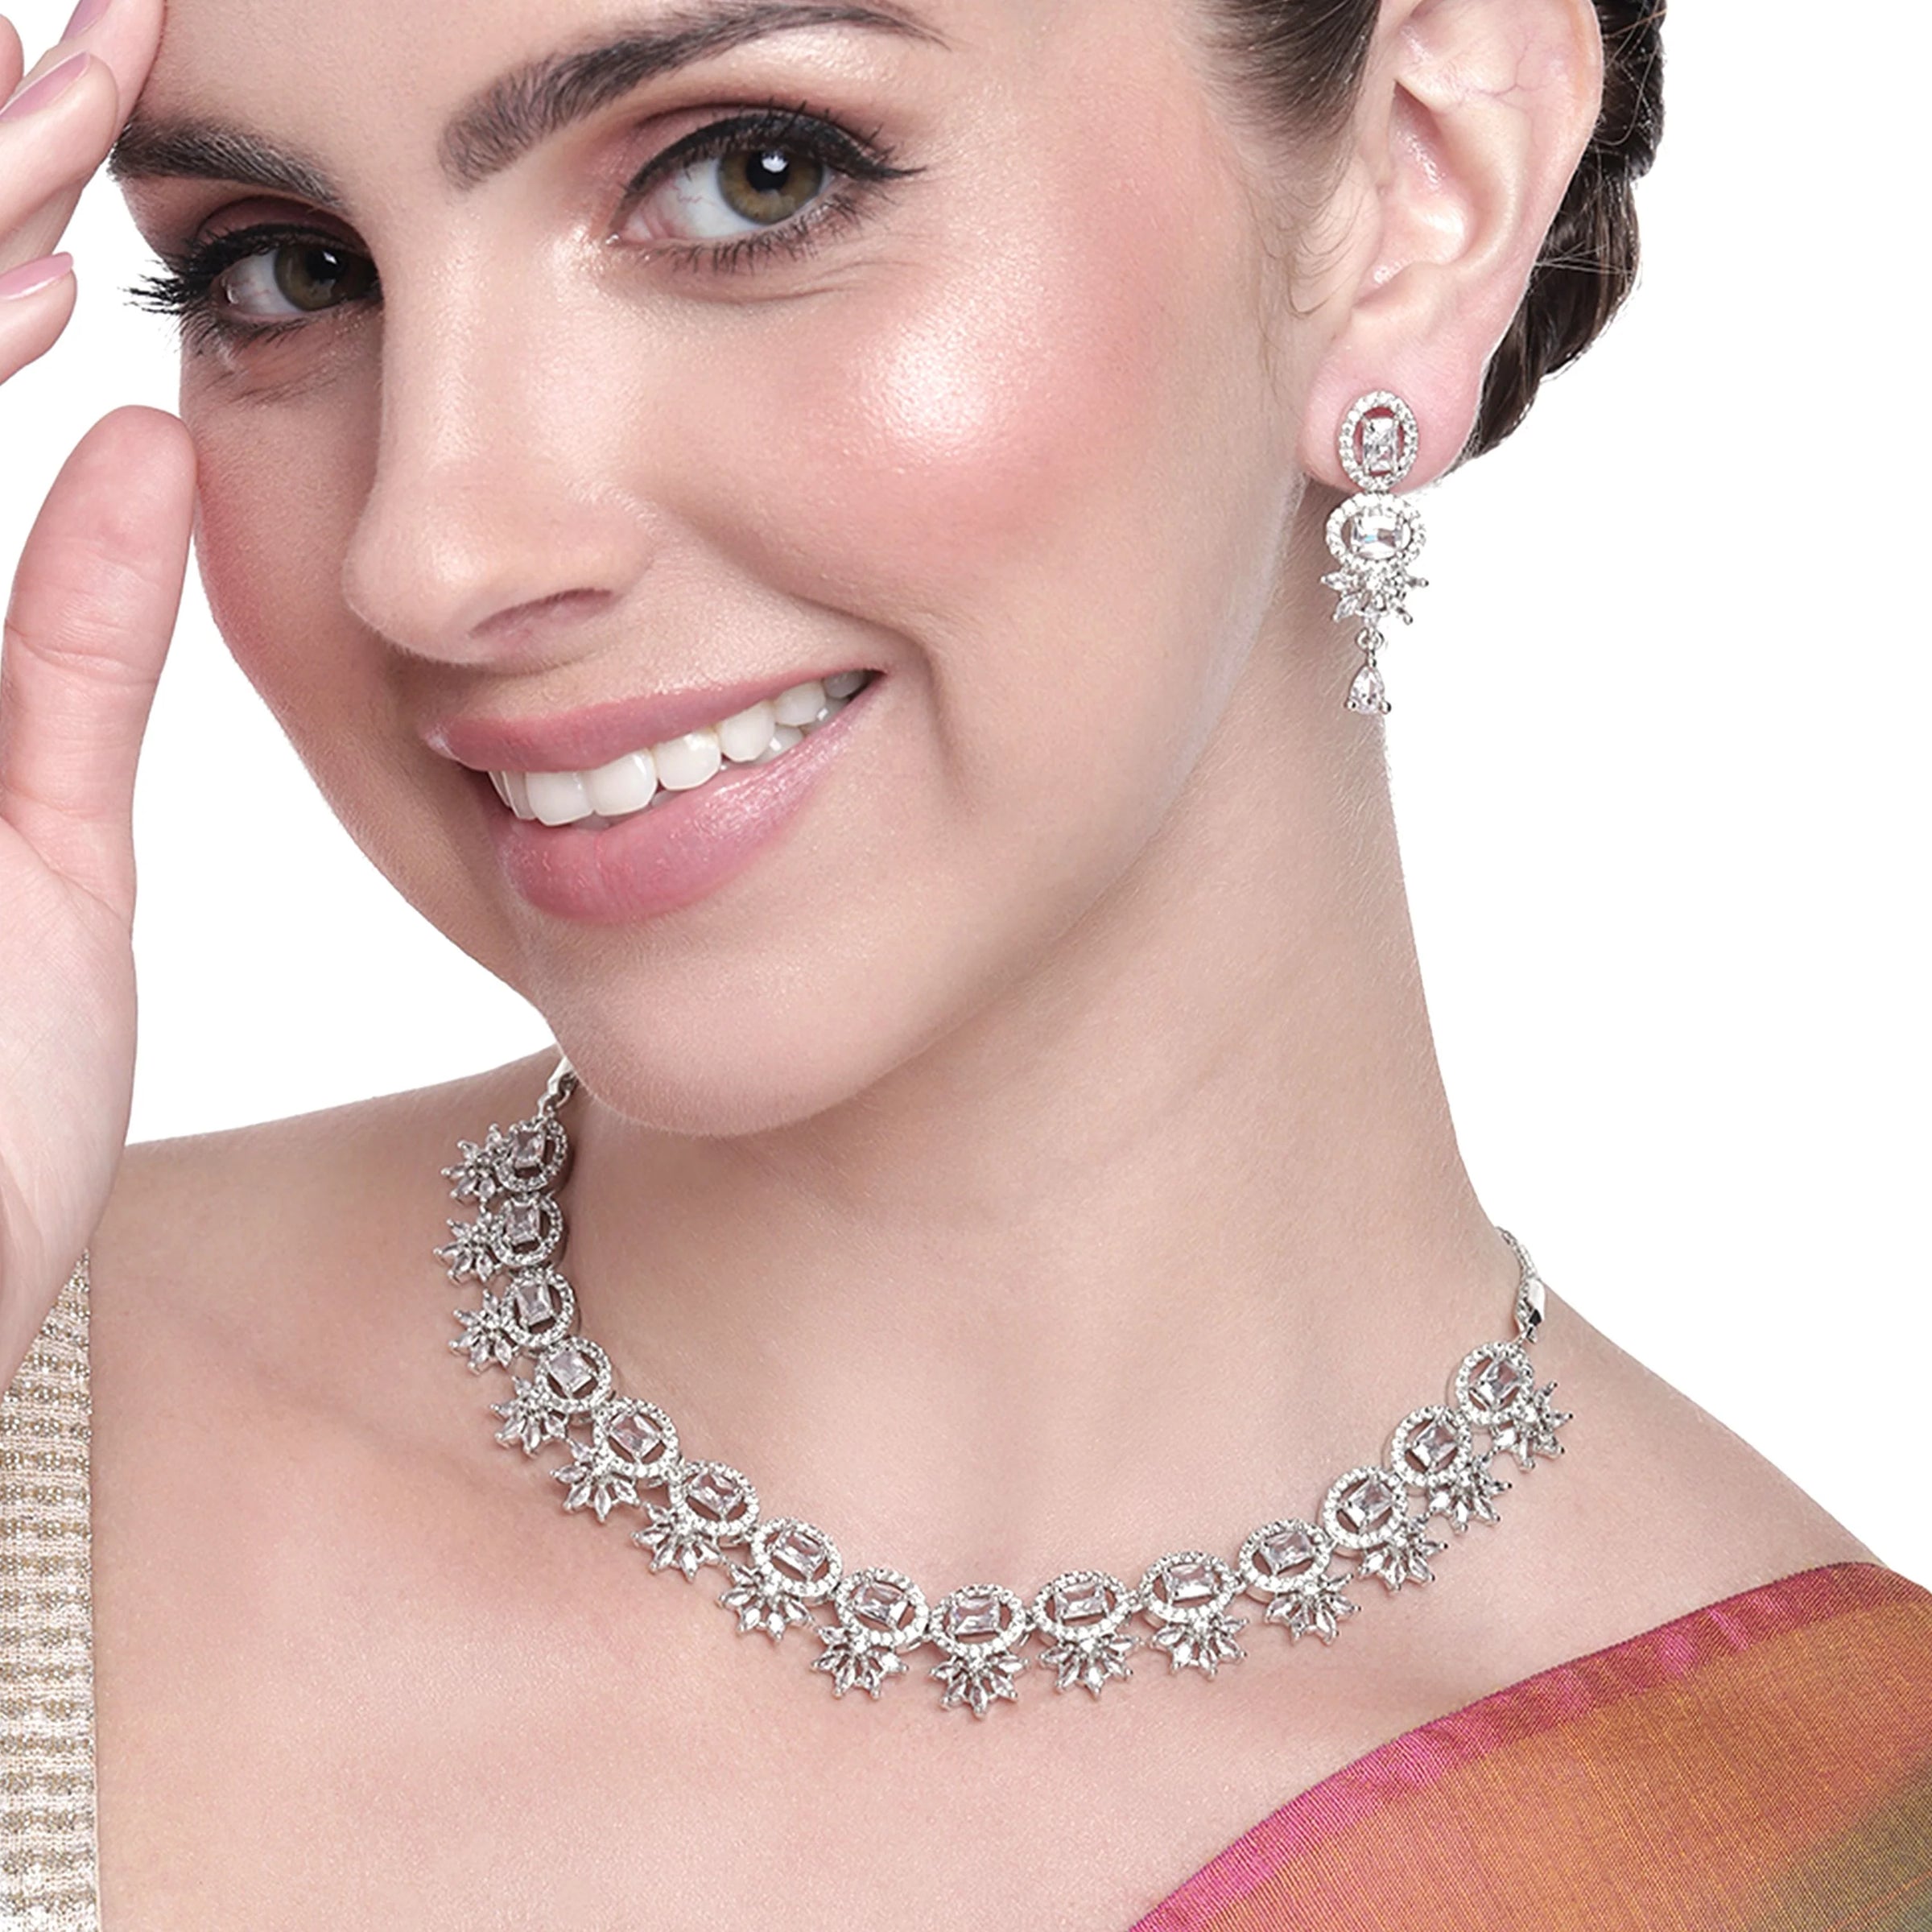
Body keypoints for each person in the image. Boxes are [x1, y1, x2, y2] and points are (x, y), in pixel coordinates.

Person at [1, 0, 1927, 1926]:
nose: (433, 553)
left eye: (754, 177)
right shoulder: (31, 1395)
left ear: (1425, 184)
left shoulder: (1844, 1848)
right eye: (286, 268)